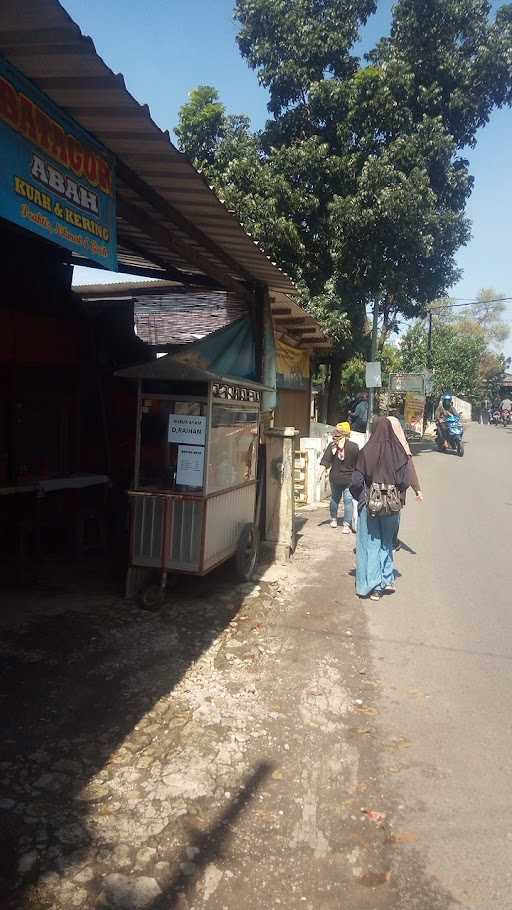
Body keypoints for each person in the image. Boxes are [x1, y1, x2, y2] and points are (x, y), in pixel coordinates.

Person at [350, 417, 420, 601]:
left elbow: (356, 481)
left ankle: (373, 586)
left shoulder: (366, 451)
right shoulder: (400, 453)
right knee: (387, 542)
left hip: (370, 505)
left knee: (372, 543)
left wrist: (361, 498)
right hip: (392, 506)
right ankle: (387, 580)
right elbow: (405, 482)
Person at [387, 416, 423, 549]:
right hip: (397, 493)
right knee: (395, 516)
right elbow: (410, 469)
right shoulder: (402, 447)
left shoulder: (374, 445)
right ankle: (392, 541)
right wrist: (417, 490)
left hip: (376, 492)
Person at [320, 422, 359, 533]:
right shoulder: (354, 447)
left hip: (335, 478)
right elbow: (359, 464)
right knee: (348, 501)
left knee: (334, 499)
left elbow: (325, 462)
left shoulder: (332, 446)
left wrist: (320, 474)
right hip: (349, 479)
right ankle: (346, 526)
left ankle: (333, 520)